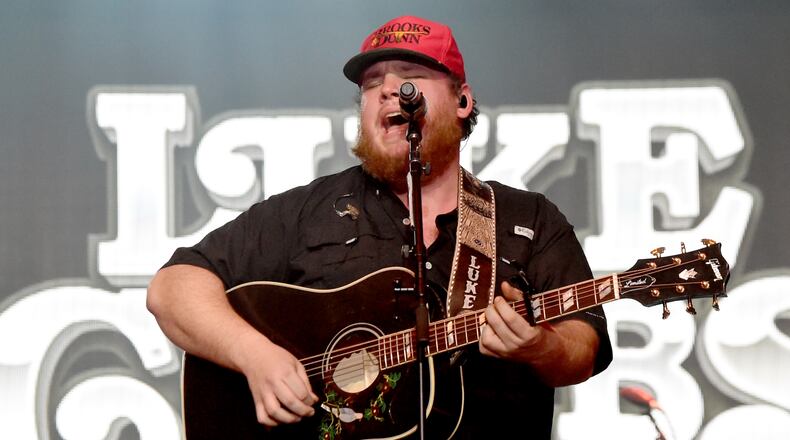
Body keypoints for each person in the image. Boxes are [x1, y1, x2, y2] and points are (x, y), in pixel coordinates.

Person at [147, 15, 612, 439]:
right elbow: (172, 289)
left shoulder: (526, 218)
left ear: (463, 101)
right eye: (372, 85)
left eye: (411, 79)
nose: (389, 90)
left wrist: (538, 347)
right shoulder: (310, 210)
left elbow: (582, 347)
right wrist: (254, 355)